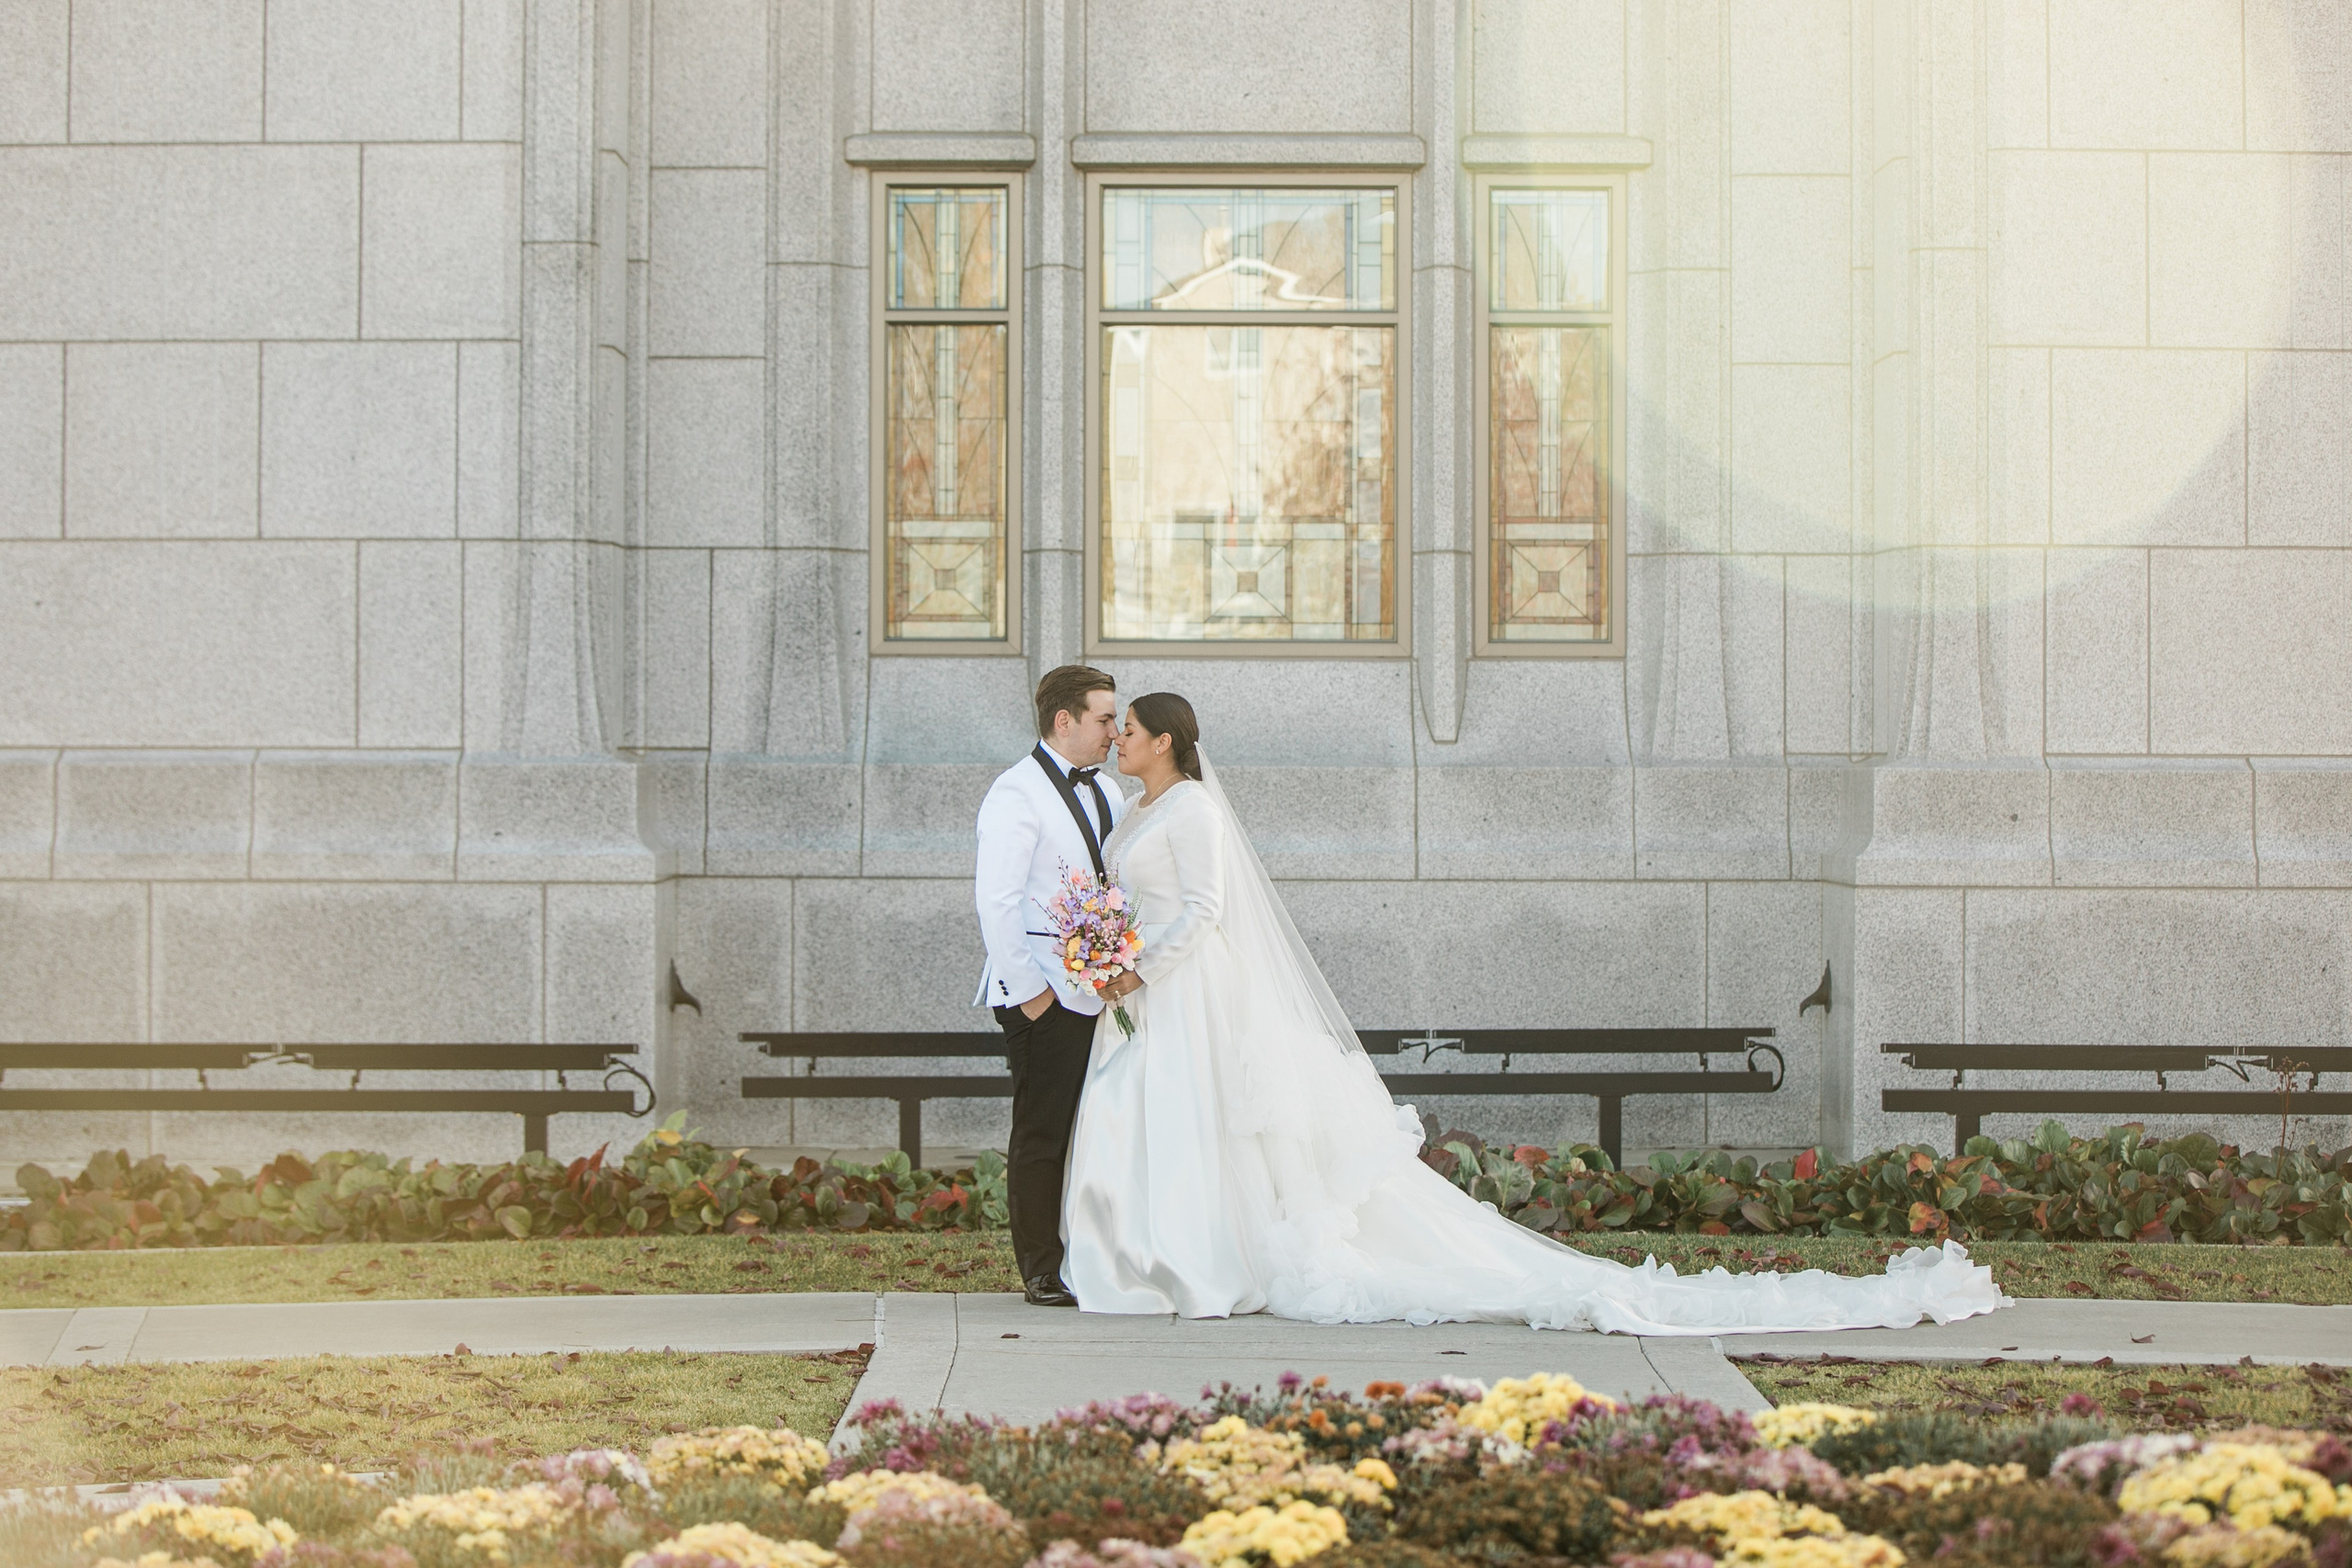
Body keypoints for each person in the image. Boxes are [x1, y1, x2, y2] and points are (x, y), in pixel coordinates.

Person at [1059, 692, 2009, 1336]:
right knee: (1166, 1125)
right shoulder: (1136, 809)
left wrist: (1134, 967)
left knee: (1196, 1121)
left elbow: (1204, 910)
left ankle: (1195, 1261)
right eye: (1116, 727)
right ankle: (1164, 1254)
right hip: (1147, 993)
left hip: (1183, 988)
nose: (1118, 739)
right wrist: (1107, 952)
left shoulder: (1194, 811)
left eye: (1128, 728)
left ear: (1167, 741)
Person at [973, 665, 1128, 1308]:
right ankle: (1040, 1268)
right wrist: (1032, 994)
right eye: (1104, 719)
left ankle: (1090, 1257)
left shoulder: (1109, 791)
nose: (1115, 732)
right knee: (1042, 1132)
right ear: (1064, 721)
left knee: (1095, 1128)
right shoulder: (1014, 792)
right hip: (1043, 994)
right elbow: (997, 902)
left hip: (1101, 990)